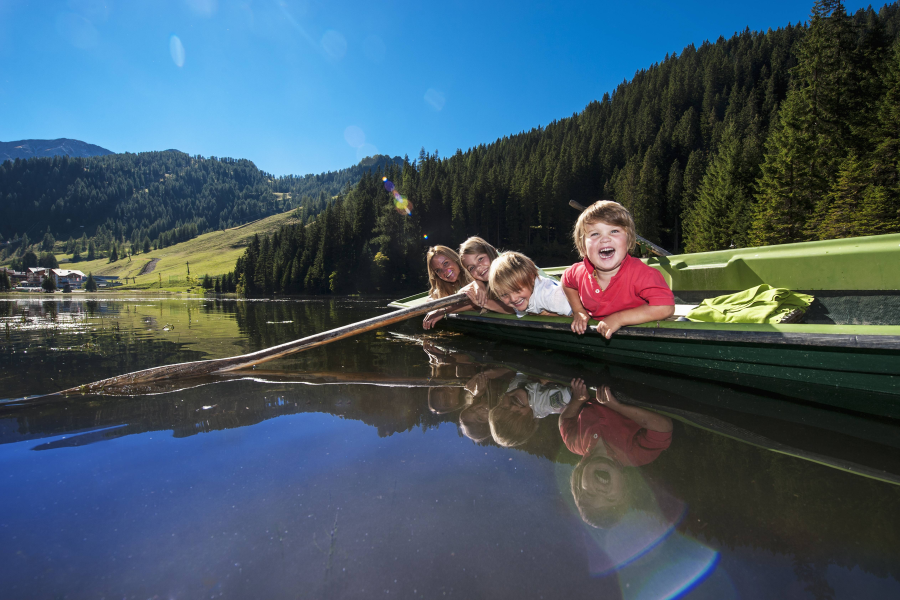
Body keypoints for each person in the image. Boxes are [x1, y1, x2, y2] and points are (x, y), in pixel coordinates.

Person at [561, 380, 673, 528]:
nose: (601, 491)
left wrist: (577, 400)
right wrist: (616, 406)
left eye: (590, 494)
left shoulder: (574, 443)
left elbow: (565, 421)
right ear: (625, 488)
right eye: (611, 499)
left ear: (579, 482)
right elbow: (663, 427)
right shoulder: (635, 455)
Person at [562, 201, 674, 339]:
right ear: (583, 246)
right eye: (595, 234)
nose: (605, 239)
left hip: (638, 335)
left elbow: (665, 307)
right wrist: (579, 311)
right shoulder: (578, 273)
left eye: (614, 231)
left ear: (628, 240)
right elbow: (566, 281)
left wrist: (619, 319)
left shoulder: (643, 274)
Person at [488, 373, 574, 447]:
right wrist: (550, 377)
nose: (513, 406)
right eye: (517, 413)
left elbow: (521, 370)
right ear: (529, 419)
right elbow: (572, 392)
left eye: (505, 408)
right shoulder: (544, 404)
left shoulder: (512, 390)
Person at [488, 251, 573, 318]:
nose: (513, 299)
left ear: (531, 278)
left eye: (517, 290)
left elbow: (580, 314)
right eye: (504, 294)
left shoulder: (551, 296)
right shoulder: (525, 297)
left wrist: (551, 315)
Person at [423, 245, 475, 329]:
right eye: (438, 270)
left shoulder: (474, 272)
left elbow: (478, 302)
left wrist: (443, 310)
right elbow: (430, 299)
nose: (444, 271)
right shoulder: (445, 285)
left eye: (445, 263)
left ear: (455, 259)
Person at [457, 236, 512, 314]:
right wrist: (477, 283)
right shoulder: (487, 281)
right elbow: (460, 293)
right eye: (472, 268)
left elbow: (514, 307)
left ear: (492, 252)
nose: (478, 268)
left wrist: (483, 302)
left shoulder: (510, 267)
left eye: (480, 259)